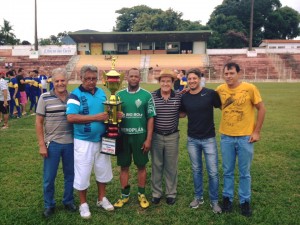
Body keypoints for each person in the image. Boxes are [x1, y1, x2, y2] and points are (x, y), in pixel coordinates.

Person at [216, 62, 266, 217]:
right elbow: (213, 102)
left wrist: (256, 132)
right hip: (226, 136)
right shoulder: (220, 90)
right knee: (228, 171)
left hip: (245, 137)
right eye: (226, 73)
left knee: (244, 172)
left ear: (239, 74)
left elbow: (262, 109)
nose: (229, 76)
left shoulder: (249, 89)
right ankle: (227, 199)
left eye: (231, 73)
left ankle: (245, 201)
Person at [66, 65, 115, 219]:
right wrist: (95, 118)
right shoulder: (75, 95)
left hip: (103, 139)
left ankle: (101, 198)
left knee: (103, 170)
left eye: (94, 78)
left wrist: (115, 114)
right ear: (81, 78)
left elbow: (107, 113)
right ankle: (83, 203)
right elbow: (71, 117)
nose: (91, 82)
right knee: (83, 173)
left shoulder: (102, 93)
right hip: (83, 141)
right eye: (88, 79)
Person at [180, 68, 222, 213]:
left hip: (209, 138)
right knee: (196, 170)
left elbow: (222, 107)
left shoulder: (210, 94)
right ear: (187, 80)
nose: (192, 81)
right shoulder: (184, 97)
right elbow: (181, 114)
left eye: (194, 78)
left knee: (213, 172)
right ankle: (198, 197)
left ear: (199, 79)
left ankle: (214, 201)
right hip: (192, 139)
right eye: (189, 79)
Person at [35, 68, 76, 218]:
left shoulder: (73, 97)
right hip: (52, 143)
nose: (60, 83)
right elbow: (39, 122)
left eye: (62, 80)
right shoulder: (44, 97)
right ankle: (49, 204)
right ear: (52, 81)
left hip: (70, 143)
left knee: (70, 174)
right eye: (57, 80)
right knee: (49, 177)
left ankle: (68, 200)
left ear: (67, 81)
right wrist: (41, 144)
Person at [114, 68, 156, 209]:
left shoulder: (146, 95)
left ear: (139, 78)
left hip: (140, 136)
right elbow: (111, 117)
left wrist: (148, 139)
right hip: (123, 137)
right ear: (127, 77)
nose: (133, 78)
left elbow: (150, 118)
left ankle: (141, 194)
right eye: (131, 76)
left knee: (141, 165)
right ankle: (124, 195)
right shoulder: (118, 95)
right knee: (124, 166)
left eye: (136, 76)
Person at [150, 69, 181, 205]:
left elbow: (183, 113)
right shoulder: (152, 96)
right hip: (156, 136)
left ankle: (170, 193)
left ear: (173, 82)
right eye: (163, 81)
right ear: (159, 82)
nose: (165, 83)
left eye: (168, 81)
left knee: (171, 166)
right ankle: (156, 193)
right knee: (156, 165)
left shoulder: (179, 96)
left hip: (172, 136)